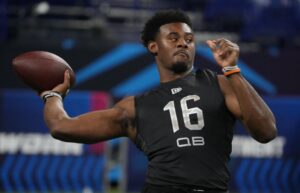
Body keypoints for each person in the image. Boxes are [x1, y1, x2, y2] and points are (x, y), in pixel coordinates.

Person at [40, 10, 277, 193]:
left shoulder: (221, 83)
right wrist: (52, 95)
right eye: (173, 38)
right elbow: (62, 127)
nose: (183, 43)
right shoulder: (134, 106)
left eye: (189, 39)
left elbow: (266, 131)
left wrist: (233, 70)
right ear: (154, 46)